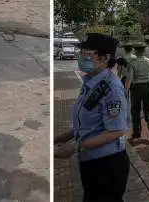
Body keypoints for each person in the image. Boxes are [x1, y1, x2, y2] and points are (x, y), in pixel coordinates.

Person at [54, 33, 132, 200]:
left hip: (107, 164)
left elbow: (116, 131)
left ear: (104, 58)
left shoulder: (112, 88)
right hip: (91, 160)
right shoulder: (91, 81)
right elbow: (90, 121)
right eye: (82, 53)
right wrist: (63, 137)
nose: (81, 57)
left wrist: (76, 146)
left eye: (88, 54)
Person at [127, 40, 149, 143]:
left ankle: (137, 133)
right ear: (144, 51)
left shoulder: (132, 64)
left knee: (135, 111)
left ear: (135, 51)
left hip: (136, 87)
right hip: (148, 86)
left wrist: (125, 91)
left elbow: (129, 79)